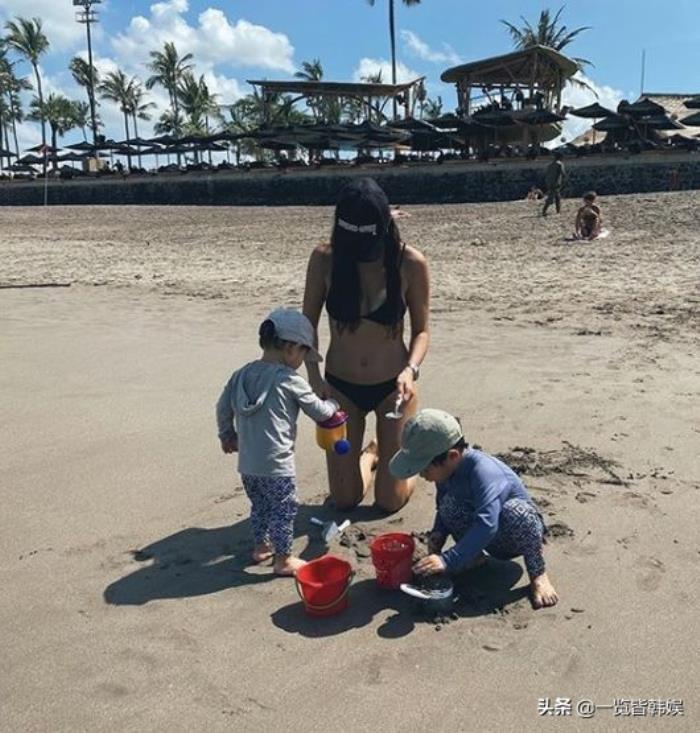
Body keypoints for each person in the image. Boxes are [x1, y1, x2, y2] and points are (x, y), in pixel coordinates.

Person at [303, 178, 430, 513]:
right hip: (340, 389)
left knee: (389, 501)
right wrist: (314, 377)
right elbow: (306, 325)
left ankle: (407, 464)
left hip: (394, 388)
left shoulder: (410, 262)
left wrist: (410, 370)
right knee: (344, 500)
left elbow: (421, 332)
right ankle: (372, 455)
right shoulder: (324, 259)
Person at [389, 409, 559, 608]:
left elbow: (487, 524)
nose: (422, 475)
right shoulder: (445, 473)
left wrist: (448, 560)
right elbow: (442, 506)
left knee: (518, 513)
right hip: (482, 534)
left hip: (512, 536)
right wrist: (439, 533)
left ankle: (538, 574)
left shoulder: (484, 472)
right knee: (447, 505)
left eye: (425, 468)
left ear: (452, 456)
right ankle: (474, 557)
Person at [216, 308, 340, 576]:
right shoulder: (290, 380)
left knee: (260, 505)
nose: (303, 360)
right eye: (304, 353)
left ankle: (261, 547)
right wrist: (333, 404)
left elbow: (222, 406)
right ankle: (283, 559)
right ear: (291, 348)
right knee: (284, 508)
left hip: (248, 464)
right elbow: (320, 412)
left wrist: (227, 434)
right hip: (277, 465)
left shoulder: (240, 375)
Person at [542, 152, 566, 216]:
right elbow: (562, 173)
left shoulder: (550, 165)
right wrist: (563, 181)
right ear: (561, 157)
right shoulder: (560, 164)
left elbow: (547, 174)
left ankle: (558, 211)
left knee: (557, 197)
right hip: (556, 183)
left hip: (550, 183)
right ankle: (544, 210)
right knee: (551, 197)